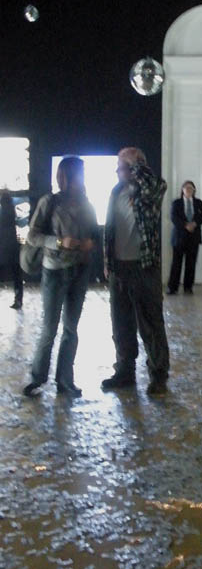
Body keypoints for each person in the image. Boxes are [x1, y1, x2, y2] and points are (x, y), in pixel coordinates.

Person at [23, 156, 98, 397]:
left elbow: (95, 234)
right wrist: (58, 242)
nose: (83, 177)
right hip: (54, 271)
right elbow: (32, 236)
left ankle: (65, 380)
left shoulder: (87, 202)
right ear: (68, 175)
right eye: (80, 173)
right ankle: (37, 378)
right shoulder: (50, 201)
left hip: (80, 270)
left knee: (71, 329)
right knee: (49, 328)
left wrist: (90, 243)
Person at [101, 147, 170, 395]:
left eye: (122, 167)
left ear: (134, 168)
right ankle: (125, 371)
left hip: (144, 267)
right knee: (121, 324)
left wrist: (137, 164)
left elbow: (153, 186)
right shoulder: (115, 191)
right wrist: (107, 261)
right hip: (119, 268)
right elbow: (109, 229)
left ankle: (158, 375)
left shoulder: (151, 190)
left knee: (151, 324)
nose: (117, 172)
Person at [167, 181, 202, 295]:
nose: (189, 190)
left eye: (191, 188)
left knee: (191, 263)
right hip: (179, 237)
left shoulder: (198, 202)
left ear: (194, 190)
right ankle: (172, 287)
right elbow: (173, 217)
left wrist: (194, 223)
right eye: (186, 188)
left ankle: (188, 287)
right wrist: (185, 225)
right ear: (182, 190)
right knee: (176, 263)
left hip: (194, 236)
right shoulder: (176, 203)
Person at [0, 191, 23, 309]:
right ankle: (18, 299)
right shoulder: (12, 211)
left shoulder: (2, 212)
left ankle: (18, 300)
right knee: (17, 275)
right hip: (13, 248)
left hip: (3, 248)